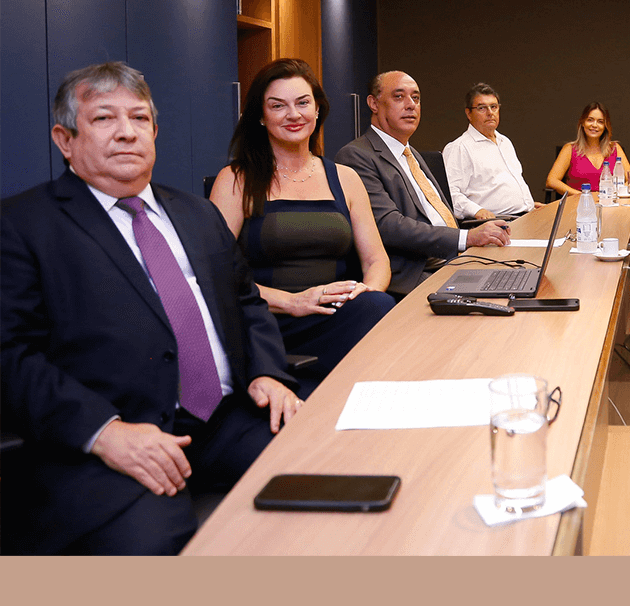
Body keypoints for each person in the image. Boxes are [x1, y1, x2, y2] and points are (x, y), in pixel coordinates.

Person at [1, 62, 300, 555]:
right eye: (103, 118)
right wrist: (104, 433)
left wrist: (268, 371)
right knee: (157, 551)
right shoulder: (22, 225)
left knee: (331, 482)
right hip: (116, 437)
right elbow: (10, 354)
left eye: (139, 118)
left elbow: (245, 301)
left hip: (227, 418)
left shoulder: (198, 213)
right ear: (64, 139)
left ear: (155, 132)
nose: (126, 132)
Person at [208, 59, 395, 392]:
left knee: (378, 307)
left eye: (302, 103)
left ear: (317, 109)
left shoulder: (346, 178)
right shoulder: (236, 180)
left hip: (333, 316)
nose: (293, 114)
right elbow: (214, 274)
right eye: (277, 106)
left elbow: (376, 260)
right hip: (268, 322)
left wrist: (365, 291)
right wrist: (292, 302)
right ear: (261, 116)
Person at [335, 71, 511, 298]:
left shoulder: (411, 154)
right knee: (501, 301)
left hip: (453, 260)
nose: (411, 105)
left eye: (416, 98)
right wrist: (466, 238)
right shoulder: (356, 156)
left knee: (519, 279)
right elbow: (388, 226)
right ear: (374, 103)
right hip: (414, 273)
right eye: (399, 97)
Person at [442, 82, 538, 222]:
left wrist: (528, 204)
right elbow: (450, 194)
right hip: (494, 223)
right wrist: (477, 211)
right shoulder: (460, 147)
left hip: (524, 216)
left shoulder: (505, 142)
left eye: (494, 107)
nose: (490, 113)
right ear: (469, 113)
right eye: (482, 108)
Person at [546, 101, 630, 197]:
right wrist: (583, 196)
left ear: (605, 126)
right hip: (578, 203)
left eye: (600, 122)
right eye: (590, 120)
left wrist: (617, 194)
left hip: (609, 202)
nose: (594, 125)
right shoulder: (569, 149)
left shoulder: (615, 148)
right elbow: (551, 181)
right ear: (582, 122)